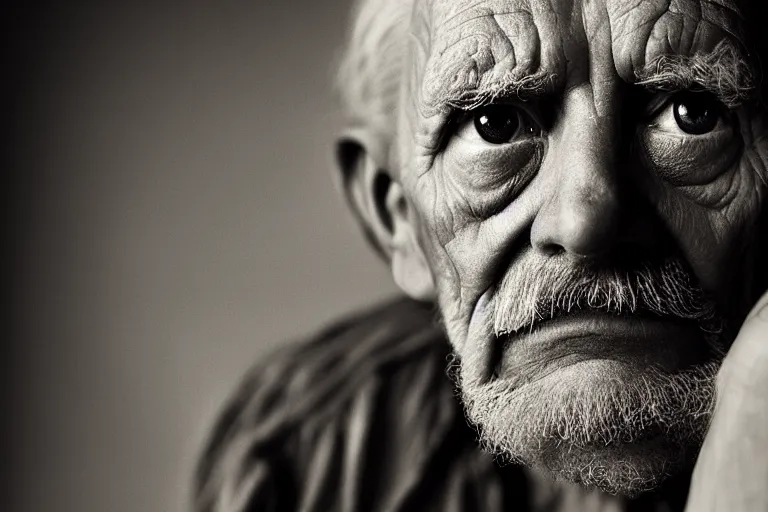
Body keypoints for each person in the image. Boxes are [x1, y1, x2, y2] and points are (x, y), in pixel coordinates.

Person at [194, 0, 768, 510]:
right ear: (395, 216)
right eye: (493, 124)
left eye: (692, 114)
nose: (586, 221)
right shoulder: (305, 457)